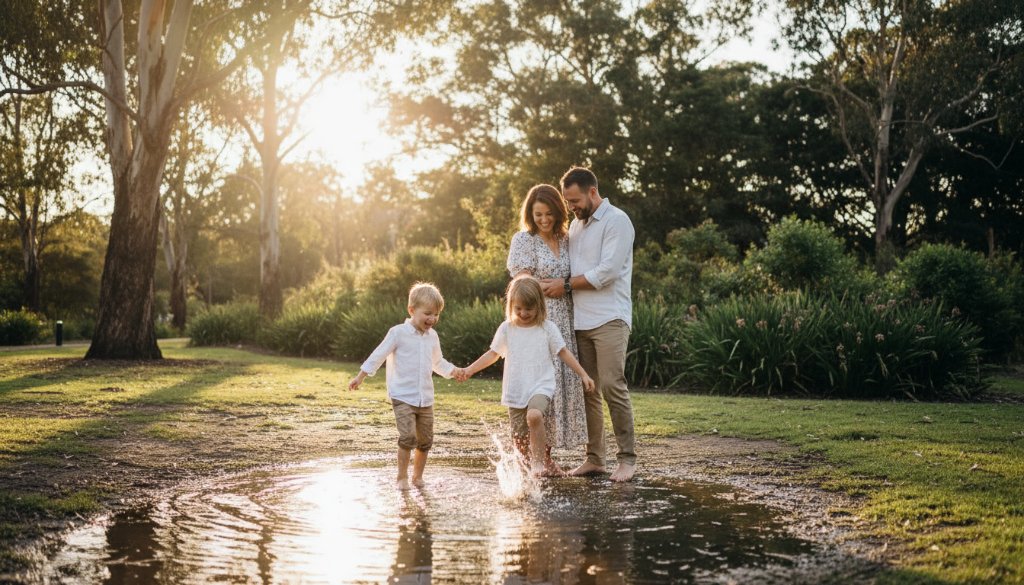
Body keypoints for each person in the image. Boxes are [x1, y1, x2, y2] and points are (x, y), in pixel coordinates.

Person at [539, 166, 637, 482]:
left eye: (575, 200)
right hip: (579, 321)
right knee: (589, 390)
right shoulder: (578, 228)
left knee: (611, 384)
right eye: (568, 201)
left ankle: (627, 459)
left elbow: (607, 272)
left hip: (610, 318)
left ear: (592, 192)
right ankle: (595, 458)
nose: (571, 207)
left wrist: (565, 285)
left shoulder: (617, 221)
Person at [460, 276, 595, 477]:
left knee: (534, 415)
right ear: (511, 306)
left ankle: (539, 464)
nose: (523, 313)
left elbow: (564, 352)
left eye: (529, 309)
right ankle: (526, 476)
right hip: (516, 389)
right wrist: (470, 369)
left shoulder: (547, 328)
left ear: (539, 306)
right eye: (518, 309)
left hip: (541, 385)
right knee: (519, 441)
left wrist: (583, 374)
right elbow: (493, 354)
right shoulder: (507, 329)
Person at [348, 282, 464, 490]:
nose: (432, 319)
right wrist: (360, 376)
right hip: (402, 395)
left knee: (425, 440)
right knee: (408, 436)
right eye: (427, 313)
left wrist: (453, 371)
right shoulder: (398, 333)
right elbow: (379, 354)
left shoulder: (432, 337)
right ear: (412, 310)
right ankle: (401, 477)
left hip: (425, 398)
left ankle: (417, 477)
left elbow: (437, 362)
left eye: (436, 314)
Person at [506, 184, 589, 473]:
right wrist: (553, 286)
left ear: (558, 211)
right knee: (531, 381)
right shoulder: (524, 240)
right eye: (538, 214)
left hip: (562, 319)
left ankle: (546, 457)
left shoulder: (565, 239)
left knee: (552, 386)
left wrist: (561, 286)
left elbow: (572, 278)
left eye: (549, 213)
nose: (544, 219)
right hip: (534, 318)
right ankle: (523, 459)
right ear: (530, 214)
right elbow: (522, 283)